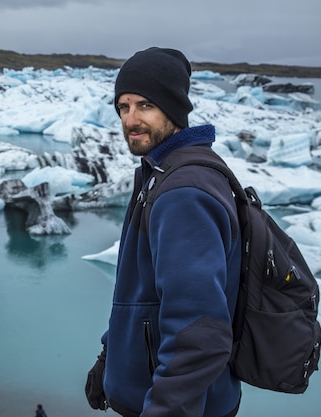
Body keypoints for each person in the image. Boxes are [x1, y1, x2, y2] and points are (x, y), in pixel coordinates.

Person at [85, 47, 242, 417]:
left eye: (145, 105)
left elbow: (199, 334)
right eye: (124, 107)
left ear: (173, 109)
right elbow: (140, 296)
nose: (131, 119)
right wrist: (110, 357)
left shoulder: (183, 193)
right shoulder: (158, 173)